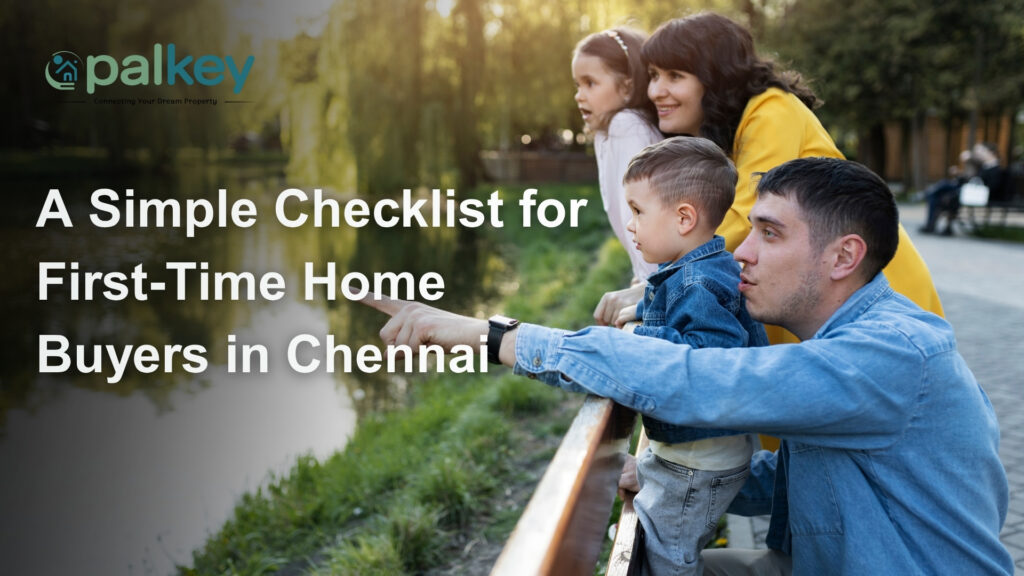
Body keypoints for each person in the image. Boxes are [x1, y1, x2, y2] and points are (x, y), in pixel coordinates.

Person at [362, 157, 1013, 575]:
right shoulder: (850, 351)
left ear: (843, 257)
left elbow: (699, 378)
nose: (741, 253)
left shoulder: (892, 354)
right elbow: (805, 479)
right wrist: (658, 471)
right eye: (749, 230)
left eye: (770, 234)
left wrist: (493, 335)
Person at [595, 12, 944, 333]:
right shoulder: (724, 136)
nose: (656, 91)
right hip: (823, 293)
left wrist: (660, 284)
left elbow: (740, 217)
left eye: (675, 76)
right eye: (653, 75)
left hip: (869, 293)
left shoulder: (772, 111)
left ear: (715, 78)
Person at [620, 137, 768, 575]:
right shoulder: (702, 269)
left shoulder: (697, 282)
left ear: (684, 218)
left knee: (667, 559)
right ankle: (648, 472)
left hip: (696, 464)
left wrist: (640, 335)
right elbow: (682, 314)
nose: (630, 225)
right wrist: (641, 311)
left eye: (638, 211)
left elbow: (711, 356)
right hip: (699, 455)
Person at [572, 27, 663, 313]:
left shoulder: (627, 126)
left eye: (590, 83)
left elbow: (643, 215)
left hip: (661, 283)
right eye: (577, 85)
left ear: (626, 87)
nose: (579, 96)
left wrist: (649, 284)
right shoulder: (607, 131)